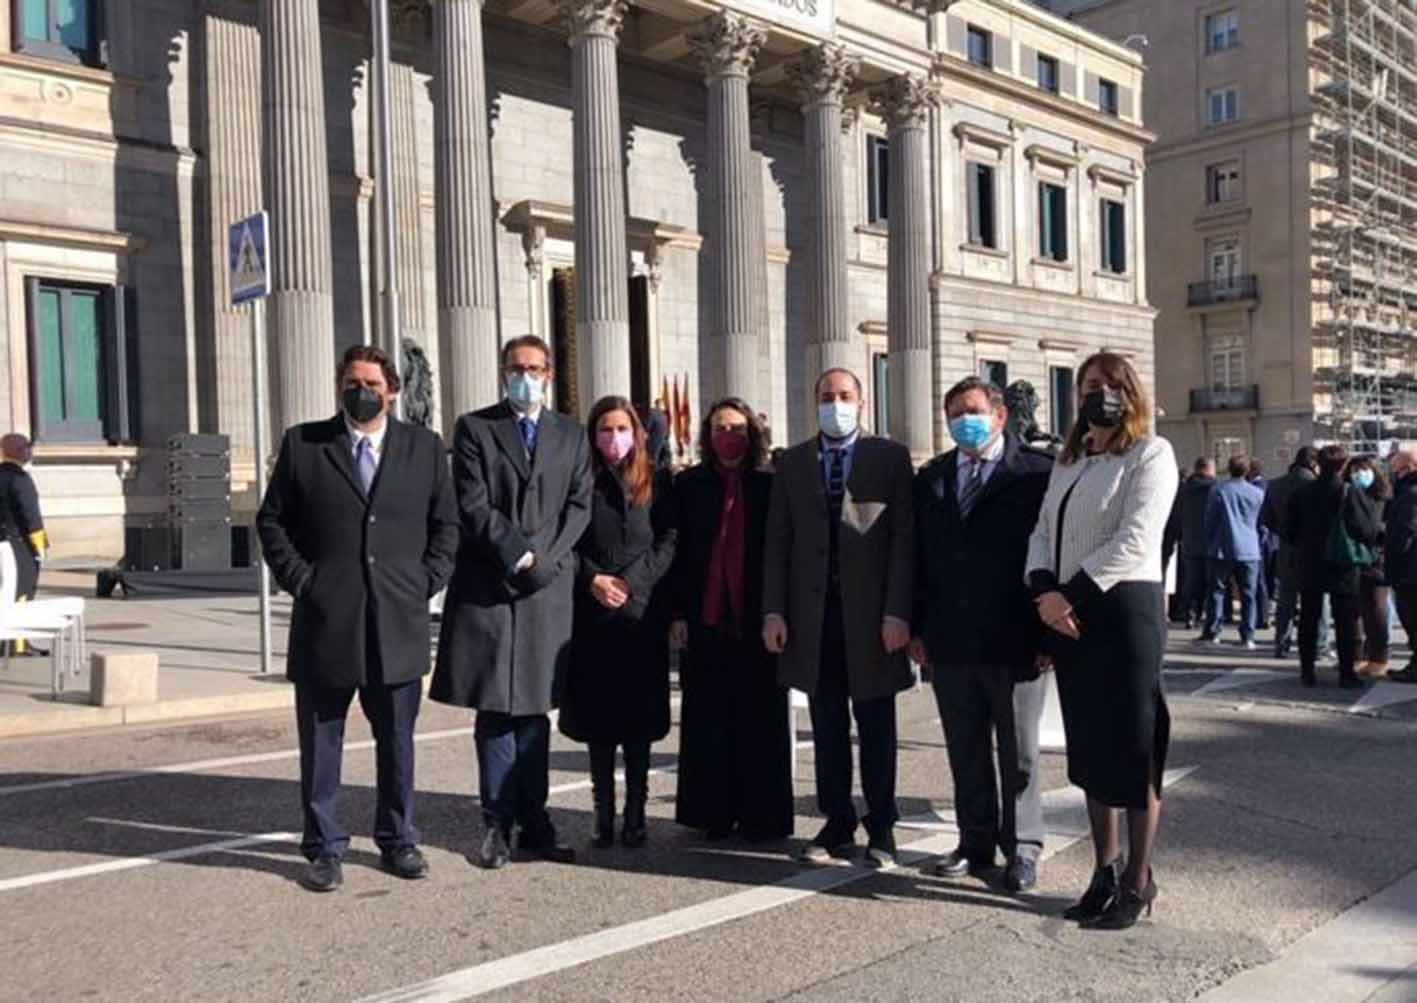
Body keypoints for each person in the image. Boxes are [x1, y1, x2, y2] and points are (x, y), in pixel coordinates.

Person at [256, 344, 458, 893]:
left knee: (397, 742)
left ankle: (398, 839)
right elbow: (272, 523)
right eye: (351, 381)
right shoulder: (304, 444)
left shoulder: (424, 448)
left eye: (371, 382)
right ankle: (323, 846)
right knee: (321, 745)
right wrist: (304, 581)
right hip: (327, 622)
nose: (360, 391)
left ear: (391, 390)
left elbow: (447, 526)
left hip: (397, 622)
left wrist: (425, 581)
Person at [1025, 351, 1178, 930]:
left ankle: (1139, 879)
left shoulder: (1149, 452)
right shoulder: (1069, 459)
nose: (1099, 393)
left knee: (1134, 745)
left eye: (1110, 384)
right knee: (1090, 748)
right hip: (1069, 613)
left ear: (1129, 392)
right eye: (1090, 384)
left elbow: (1137, 537)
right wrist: (1044, 592)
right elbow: (1043, 532)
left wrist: (1071, 595)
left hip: (1121, 610)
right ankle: (1103, 872)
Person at [431, 335, 592, 869]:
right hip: (492, 587)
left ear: (549, 374)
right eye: (516, 367)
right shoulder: (476, 428)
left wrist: (543, 560)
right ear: (504, 372)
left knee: (535, 713)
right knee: (496, 710)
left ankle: (537, 821)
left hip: (547, 589)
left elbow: (579, 504)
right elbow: (473, 504)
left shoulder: (570, 434)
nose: (526, 376)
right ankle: (496, 823)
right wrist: (519, 556)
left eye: (535, 368)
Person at [763, 368, 915, 869]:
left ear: (862, 403)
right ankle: (836, 820)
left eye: (845, 396)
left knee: (875, 724)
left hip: (873, 619)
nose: (836, 404)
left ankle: (883, 825)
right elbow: (778, 542)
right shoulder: (794, 461)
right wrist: (774, 611)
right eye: (827, 396)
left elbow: (903, 543)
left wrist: (898, 611)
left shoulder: (889, 458)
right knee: (827, 725)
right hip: (814, 618)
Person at [910, 377, 1053, 892]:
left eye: (970, 410)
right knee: (964, 748)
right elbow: (918, 559)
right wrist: (917, 626)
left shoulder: (1037, 474)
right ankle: (975, 842)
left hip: (1016, 640)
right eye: (953, 413)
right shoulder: (933, 477)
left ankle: (1024, 848)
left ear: (998, 416)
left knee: (1019, 755)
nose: (961, 420)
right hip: (950, 639)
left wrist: (1048, 637)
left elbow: (1051, 559)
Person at [671, 399, 793, 842]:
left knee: (760, 720)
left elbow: (784, 552)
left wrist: (780, 612)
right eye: (721, 427)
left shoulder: (770, 485)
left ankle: (762, 816)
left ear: (753, 435)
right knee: (708, 720)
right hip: (705, 620)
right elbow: (677, 555)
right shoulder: (688, 485)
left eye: (738, 428)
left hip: (758, 621)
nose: (729, 436)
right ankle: (712, 815)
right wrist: (678, 613)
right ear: (708, 434)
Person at [559, 397, 677, 849]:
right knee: (599, 723)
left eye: (622, 429)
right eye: (605, 430)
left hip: (641, 615)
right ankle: (602, 813)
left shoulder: (658, 481)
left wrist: (632, 582)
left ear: (638, 433)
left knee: (639, 724)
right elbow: (566, 542)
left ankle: (636, 813)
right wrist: (592, 580)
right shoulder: (581, 480)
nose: (614, 438)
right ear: (593, 435)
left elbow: (669, 539)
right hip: (593, 616)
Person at [1282, 444, 1380, 689]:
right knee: (1345, 618)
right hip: (1342, 563)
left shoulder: (1302, 493)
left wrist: (1305, 543)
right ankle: (1347, 672)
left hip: (1309, 561)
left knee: (1309, 617)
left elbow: (1287, 530)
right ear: (1343, 466)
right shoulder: (1350, 493)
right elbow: (1367, 529)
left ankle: (1307, 671)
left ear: (1318, 465)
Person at [1199, 455, 1265, 649]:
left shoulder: (1218, 490)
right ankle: (1248, 635)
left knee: (1217, 592)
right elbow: (1262, 522)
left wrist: (1210, 540)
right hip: (1249, 548)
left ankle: (1213, 631)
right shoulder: (1257, 493)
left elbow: (1210, 519)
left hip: (1222, 546)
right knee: (1248, 594)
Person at [1262, 448, 1322, 658]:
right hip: (1313, 550)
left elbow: (1266, 519)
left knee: (1285, 601)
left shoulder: (1276, 484)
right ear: (1314, 464)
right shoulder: (1316, 486)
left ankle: (1281, 643)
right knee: (1314, 601)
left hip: (1286, 549)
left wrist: (1283, 532)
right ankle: (1316, 645)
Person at [0, 434, 48, 656]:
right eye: (25, 447)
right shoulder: (19, 479)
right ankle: (16, 644)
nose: (29, 451)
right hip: (17, 545)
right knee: (22, 591)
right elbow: (31, 519)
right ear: (16, 451)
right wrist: (39, 548)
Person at [1348, 456, 1391, 678]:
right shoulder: (1349, 494)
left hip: (1376, 559)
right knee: (1355, 609)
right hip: (1353, 559)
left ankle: (1378, 657)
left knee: (1376, 609)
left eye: (1363, 470)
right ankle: (1357, 656)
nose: (1358, 474)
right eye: (1354, 470)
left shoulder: (1384, 497)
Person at [1383, 450, 1417, 683]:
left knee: (1411, 617)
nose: (1393, 475)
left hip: (1409, 568)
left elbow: (1405, 531)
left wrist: (1388, 547)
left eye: (1396, 470)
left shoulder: (1410, 494)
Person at [1176, 458, 1216, 629]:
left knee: (1191, 580)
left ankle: (1190, 613)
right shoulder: (1216, 489)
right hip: (1212, 541)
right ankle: (1208, 617)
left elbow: (1177, 515)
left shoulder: (1183, 489)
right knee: (1212, 582)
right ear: (1210, 469)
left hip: (1189, 541)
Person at [1247, 459, 1273, 629]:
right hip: (1261, 538)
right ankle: (1261, 615)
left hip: (1257, 538)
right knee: (1259, 578)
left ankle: (1261, 615)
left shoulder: (1257, 488)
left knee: (1259, 578)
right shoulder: (1265, 486)